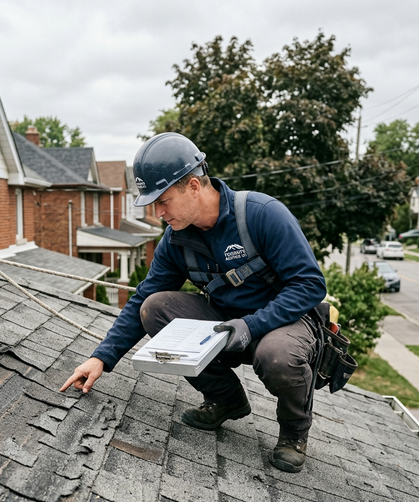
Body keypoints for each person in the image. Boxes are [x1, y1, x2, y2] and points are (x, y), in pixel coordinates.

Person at [61, 132, 327, 473]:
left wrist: (252, 325)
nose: (157, 213)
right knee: (154, 308)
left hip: (281, 323)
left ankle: (293, 433)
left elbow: (310, 285)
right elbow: (143, 296)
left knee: (276, 356)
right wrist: (102, 358)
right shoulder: (177, 240)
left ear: (193, 187)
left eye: (163, 201)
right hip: (225, 322)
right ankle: (227, 400)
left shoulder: (262, 215)